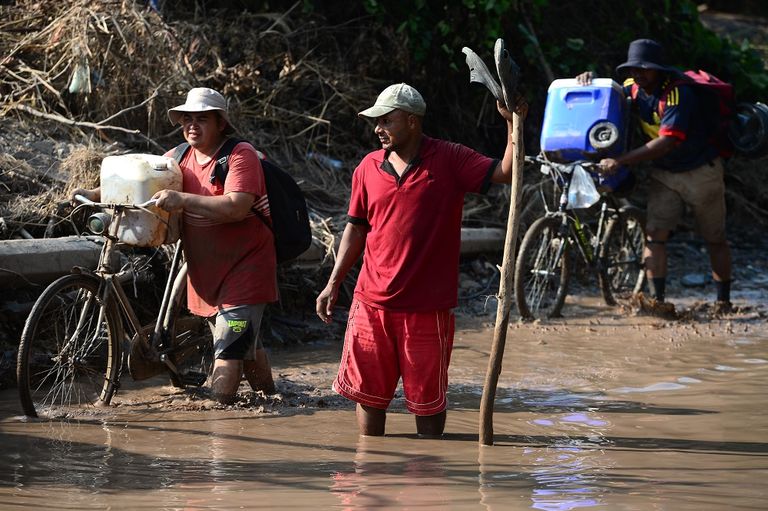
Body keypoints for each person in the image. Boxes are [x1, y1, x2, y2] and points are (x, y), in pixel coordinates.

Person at [315, 83, 521, 437]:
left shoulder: (450, 159)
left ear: (412, 121)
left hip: (426, 310)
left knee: (427, 404)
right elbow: (355, 229)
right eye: (375, 121)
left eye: (386, 120)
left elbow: (506, 172)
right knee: (369, 399)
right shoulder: (367, 167)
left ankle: (428, 478)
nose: (378, 129)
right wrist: (333, 282)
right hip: (370, 305)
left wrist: (513, 125)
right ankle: (370, 473)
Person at [72, 87, 278, 403]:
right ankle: (273, 402)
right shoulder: (176, 159)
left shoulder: (240, 156)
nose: (192, 125)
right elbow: (137, 182)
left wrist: (181, 199)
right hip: (205, 270)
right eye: (187, 119)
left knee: (229, 346)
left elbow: (236, 206)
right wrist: (95, 193)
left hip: (245, 268)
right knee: (243, 343)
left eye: (202, 119)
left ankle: (221, 433)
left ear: (221, 123)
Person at [577, 38, 733, 313]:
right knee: (655, 235)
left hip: (700, 172)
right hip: (664, 173)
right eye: (633, 69)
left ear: (659, 70)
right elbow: (605, 94)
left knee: (715, 238)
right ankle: (657, 301)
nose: (638, 74)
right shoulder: (633, 88)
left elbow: (667, 141)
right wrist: (589, 81)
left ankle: (723, 303)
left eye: (645, 69)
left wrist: (621, 160)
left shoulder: (677, 94)